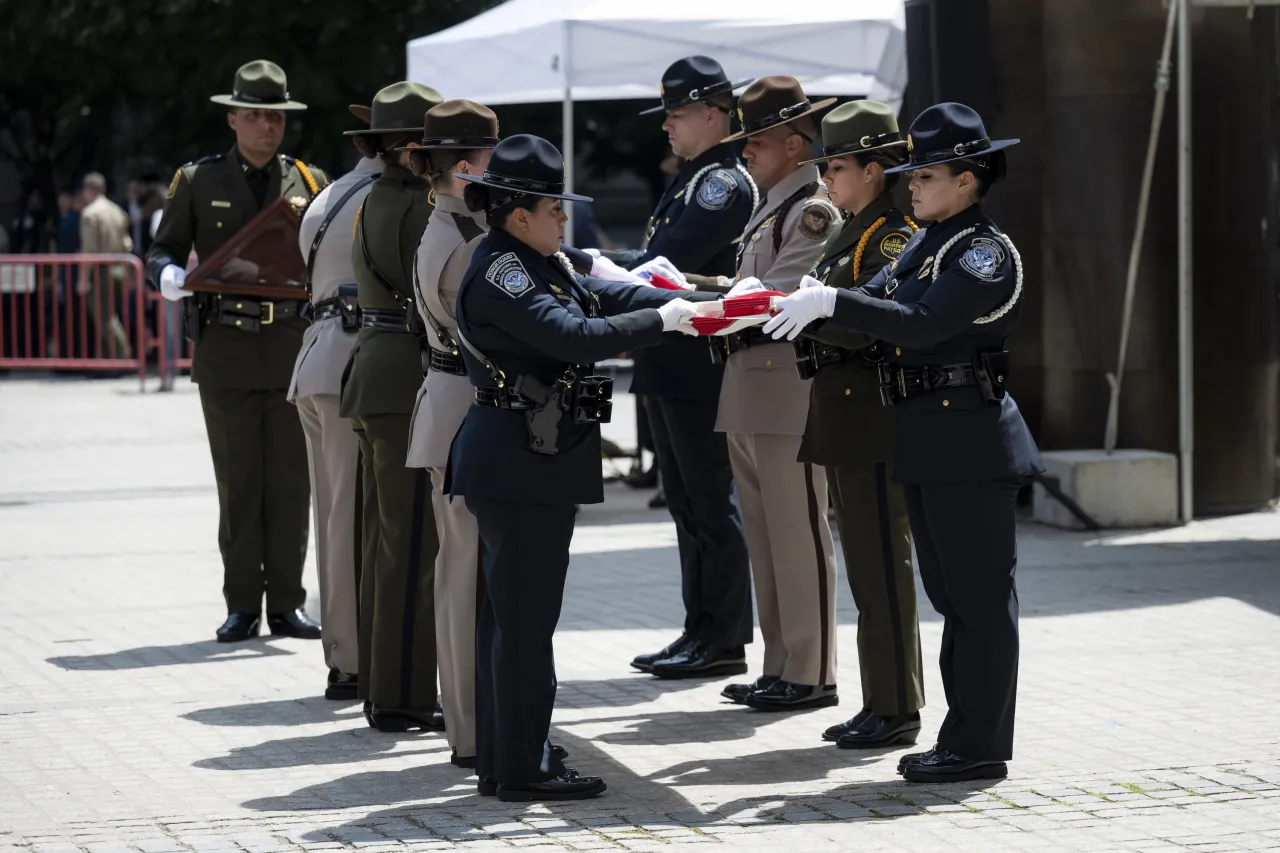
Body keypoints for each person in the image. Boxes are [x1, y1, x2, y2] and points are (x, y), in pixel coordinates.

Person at [763, 102, 1043, 782]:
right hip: (926, 433)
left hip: (969, 440)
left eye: (926, 174)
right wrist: (794, 299)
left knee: (976, 603)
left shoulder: (981, 250)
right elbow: (876, 298)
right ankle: (963, 734)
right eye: (911, 173)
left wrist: (834, 304)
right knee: (952, 599)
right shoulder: (928, 239)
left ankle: (977, 743)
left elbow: (920, 323)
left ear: (967, 180)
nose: (910, 185)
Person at [448, 134, 710, 802]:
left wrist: (677, 298)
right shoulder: (504, 271)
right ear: (519, 211)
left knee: (515, 619)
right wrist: (665, 319)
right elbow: (572, 336)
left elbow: (596, 297)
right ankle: (522, 766)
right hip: (518, 462)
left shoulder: (537, 261)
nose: (564, 219)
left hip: (526, 457)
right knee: (525, 622)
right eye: (554, 207)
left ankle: (510, 751)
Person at [147, 59, 328, 642]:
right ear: (232, 118)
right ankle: (242, 604)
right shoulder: (197, 181)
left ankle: (289, 604)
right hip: (225, 351)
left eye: (275, 115)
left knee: (290, 482)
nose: (266, 126)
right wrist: (170, 274)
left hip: (288, 347)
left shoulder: (309, 180)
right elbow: (160, 250)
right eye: (254, 114)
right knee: (240, 483)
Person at [612, 56, 757, 680]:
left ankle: (721, 635)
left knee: (707, 499)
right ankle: (699, 628)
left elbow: (669, 262)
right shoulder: (694, 177)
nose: (666, 125)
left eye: (676, 113)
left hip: (698, 361)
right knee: (684, 501)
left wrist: (610, 270)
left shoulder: (721, 181)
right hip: (672, 357)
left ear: (712, 113)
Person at [789, 101, 927, 749]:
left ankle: (897, 705)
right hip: (844, 410)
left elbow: (875, 312)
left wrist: (815, 311)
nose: (825, 180)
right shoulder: (851, 228)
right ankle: (882, 699)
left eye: (835, 166)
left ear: (874, 170)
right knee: (866, 566)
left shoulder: (892, 233)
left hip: (870, 410)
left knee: (881, 566)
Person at [705, 76, 842, 712]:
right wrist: (686, 290)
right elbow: (745, 290)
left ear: (793, 143)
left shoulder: (812, 207)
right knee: (764, 534)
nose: (746, 153)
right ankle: (781, 662)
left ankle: (812, 671)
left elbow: (775, 293)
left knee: (798, 532)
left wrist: (704, 305)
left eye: (755, 140)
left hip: (785, 380)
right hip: (748, 381)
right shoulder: (771, 204)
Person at [336, 81, 445, 732]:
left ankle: (385, 685)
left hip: (378, 370)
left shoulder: (377, 196)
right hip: (402, 377)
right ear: (409, 148)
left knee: (385, 542)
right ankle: (404, 695)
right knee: (408, 547)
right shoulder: (414, 206)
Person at [401, 98, 500, 768]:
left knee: (464, 574)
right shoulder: (457, 239)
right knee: (464, 578)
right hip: (462, 404)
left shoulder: (460, 222)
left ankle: (474, 722)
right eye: (494, 160)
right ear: (466, 167)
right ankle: (470, 730)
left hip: (455, 403)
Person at [287, 96, 385, 701]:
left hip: (318, 354)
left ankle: (343, 653)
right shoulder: (394, 200)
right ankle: (355, 656)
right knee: (357, 516)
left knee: (333, 515)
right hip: (357, 361)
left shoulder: (327, 195)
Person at [79, 172, 134, 361]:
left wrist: (83, 279)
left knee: (104, 318)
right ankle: (108, 360)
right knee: (111, 315)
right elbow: (128, 244)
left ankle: (121, 356)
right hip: (119, 268)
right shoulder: (118, 211)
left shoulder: (90, 213)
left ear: (89, 190)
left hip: (101, 270)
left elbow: (89, 251)